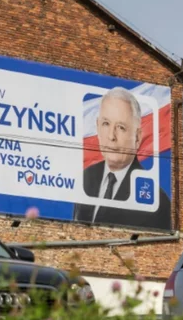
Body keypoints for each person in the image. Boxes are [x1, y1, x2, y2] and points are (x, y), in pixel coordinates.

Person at [73, 87, 171, 230]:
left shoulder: (157, 201)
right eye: (106, 124)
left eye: (121, 127)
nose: (111, 136)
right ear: (98, 127)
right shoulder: (86, 178)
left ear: (137, 137)